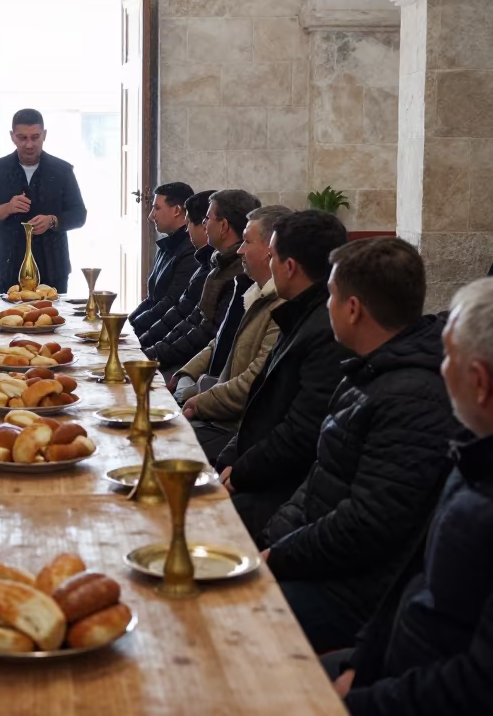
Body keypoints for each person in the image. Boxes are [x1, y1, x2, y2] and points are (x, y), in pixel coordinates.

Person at [334, 275, 493, 716]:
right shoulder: (492, 445)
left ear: (479, 381)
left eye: (447, 357)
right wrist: (361, 662)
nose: (439, 369)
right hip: (390, 673)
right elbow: (413, 579)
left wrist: (353, 703)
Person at [263, 238, 462, 654]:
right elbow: (321, 475)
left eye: (331, 297)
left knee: (227, 615)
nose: (327, 307)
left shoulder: (411, 396)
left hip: (353, 596)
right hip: (317, 561)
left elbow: (366, 525)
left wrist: (279, 555)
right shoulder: (372, 368)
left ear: (352, 309)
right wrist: (276, 537)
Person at [217, 210, 349, 542]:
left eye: (273, 256)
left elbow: (301, 432)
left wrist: (241, 472)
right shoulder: (300, 313)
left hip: (283, 488)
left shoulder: (322, 330)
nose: (270, 265)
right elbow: (261, 403)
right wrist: (230, 460)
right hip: (262, 469)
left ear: (289, 267)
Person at [176, 205, 292, 461]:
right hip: (217, 409)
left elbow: (253, 382)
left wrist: (196, 399)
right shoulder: (256, 293)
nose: (240, 249)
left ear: (270, 251)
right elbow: (221, 342)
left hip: (231, 426)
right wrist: (185, 373)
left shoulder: (281, 306)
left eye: (247, 242)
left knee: (164, 447)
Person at [0, 108, 87, 294]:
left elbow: (80, 215)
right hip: (7, 269)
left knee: (51, 322)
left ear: (44, 135)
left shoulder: (63, 171)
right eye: (22, 138)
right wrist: (5, 209)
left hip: (52, 268)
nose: (29, 144)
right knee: (6, 322)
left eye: (35, 137)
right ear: (12, 136)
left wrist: (52, 221)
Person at [143, 189, 259, 370]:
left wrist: (153, 357)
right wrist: (151, 351)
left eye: (207, 219)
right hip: (186, 362)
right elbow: (190, 319)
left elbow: (207, 336)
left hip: (196, 369)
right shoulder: (216, 266)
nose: (203, 225)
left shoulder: (238, 275)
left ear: (224, 226)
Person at [137, 190, 215, 360]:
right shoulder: (172, 247)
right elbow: (159, 303)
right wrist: (130, 327)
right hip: (167, 345)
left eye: (157, 208)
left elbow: (180, 312)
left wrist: (150, 352)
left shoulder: (193, 254)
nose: (151, 216)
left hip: (182, 358)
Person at [129, 182, 198, 336]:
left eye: (157, 208)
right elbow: (152, 300)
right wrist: (127, 324)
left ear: (177, 210)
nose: (151, 216)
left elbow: (171, 303)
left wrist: (136, 331)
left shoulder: (190, 250)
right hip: (153, 330)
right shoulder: (168, 245)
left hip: (168, 336)